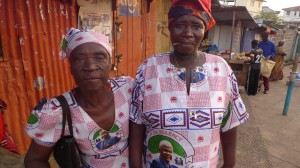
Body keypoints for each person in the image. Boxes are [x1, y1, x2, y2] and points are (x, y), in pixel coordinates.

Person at [129, 1, 249, 168]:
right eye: (180, 25)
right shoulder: (149, 69)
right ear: (170, 28)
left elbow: (229, 123)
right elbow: (136, 124)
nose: (188, 33)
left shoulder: (221, 68)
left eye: (196, 26)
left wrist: (229, 163)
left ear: (204, 31)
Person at [24, 28, 133, 167]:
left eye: (100, 57)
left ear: (110, 63)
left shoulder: (127, 90)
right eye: (79, 59)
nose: (91, 66)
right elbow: (35, 160)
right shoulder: (58, 111)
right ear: (70, 67)